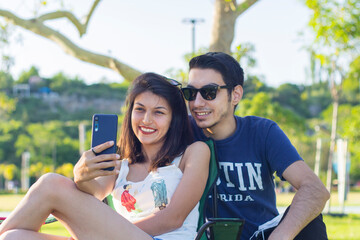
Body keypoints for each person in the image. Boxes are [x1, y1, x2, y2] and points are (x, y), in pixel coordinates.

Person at [0, 72, 210, 240]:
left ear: (174, 119)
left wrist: (102, 233)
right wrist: (81, 176)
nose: (146, 120)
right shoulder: (119, 162)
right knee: (13, 237)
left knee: (51, 183)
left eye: (159, 112)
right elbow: (95, 193)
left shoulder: (194, 152)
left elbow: (173, 219)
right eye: (140, 109)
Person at [181, 52, 330, 240]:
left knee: (311, 223)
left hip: (259, 236)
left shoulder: (262, 132)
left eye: (209, 92)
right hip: (202, 236)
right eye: (190, 93)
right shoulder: (179, 132)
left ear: (235, 95)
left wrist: (280, 236)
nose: (197, 102)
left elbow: (315, 190)